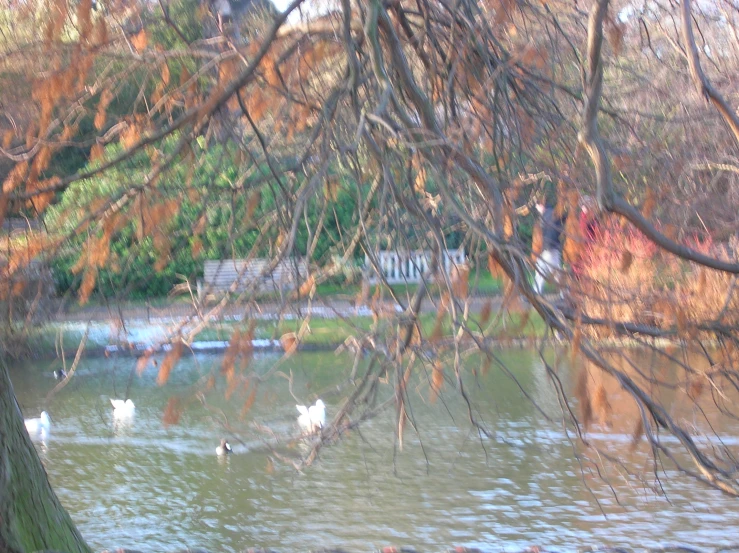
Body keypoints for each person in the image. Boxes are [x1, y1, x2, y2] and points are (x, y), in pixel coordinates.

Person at [534, 199, 564, 294]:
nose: (537, 209)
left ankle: (565, 294)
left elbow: (550, 232)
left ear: (542, 206)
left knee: (556, 273)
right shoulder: (551, 214)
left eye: (537, 207)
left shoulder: (547, 215)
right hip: (549, 248)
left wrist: (548, 247)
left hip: (550, 248)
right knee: (540, 269)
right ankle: (536, 292)